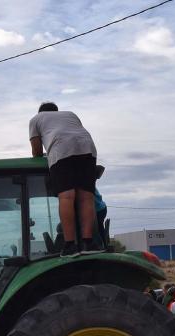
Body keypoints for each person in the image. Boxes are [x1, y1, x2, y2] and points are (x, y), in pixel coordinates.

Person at [29, 101, 101, 255]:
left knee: (67, 196)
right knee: (86, 197)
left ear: (40, 111)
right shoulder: (70, 115)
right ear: (57, 111)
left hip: (61, 149)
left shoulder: (36, 119)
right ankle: (88, 243)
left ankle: (70, 245)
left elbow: (36, 151)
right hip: (87, 147)